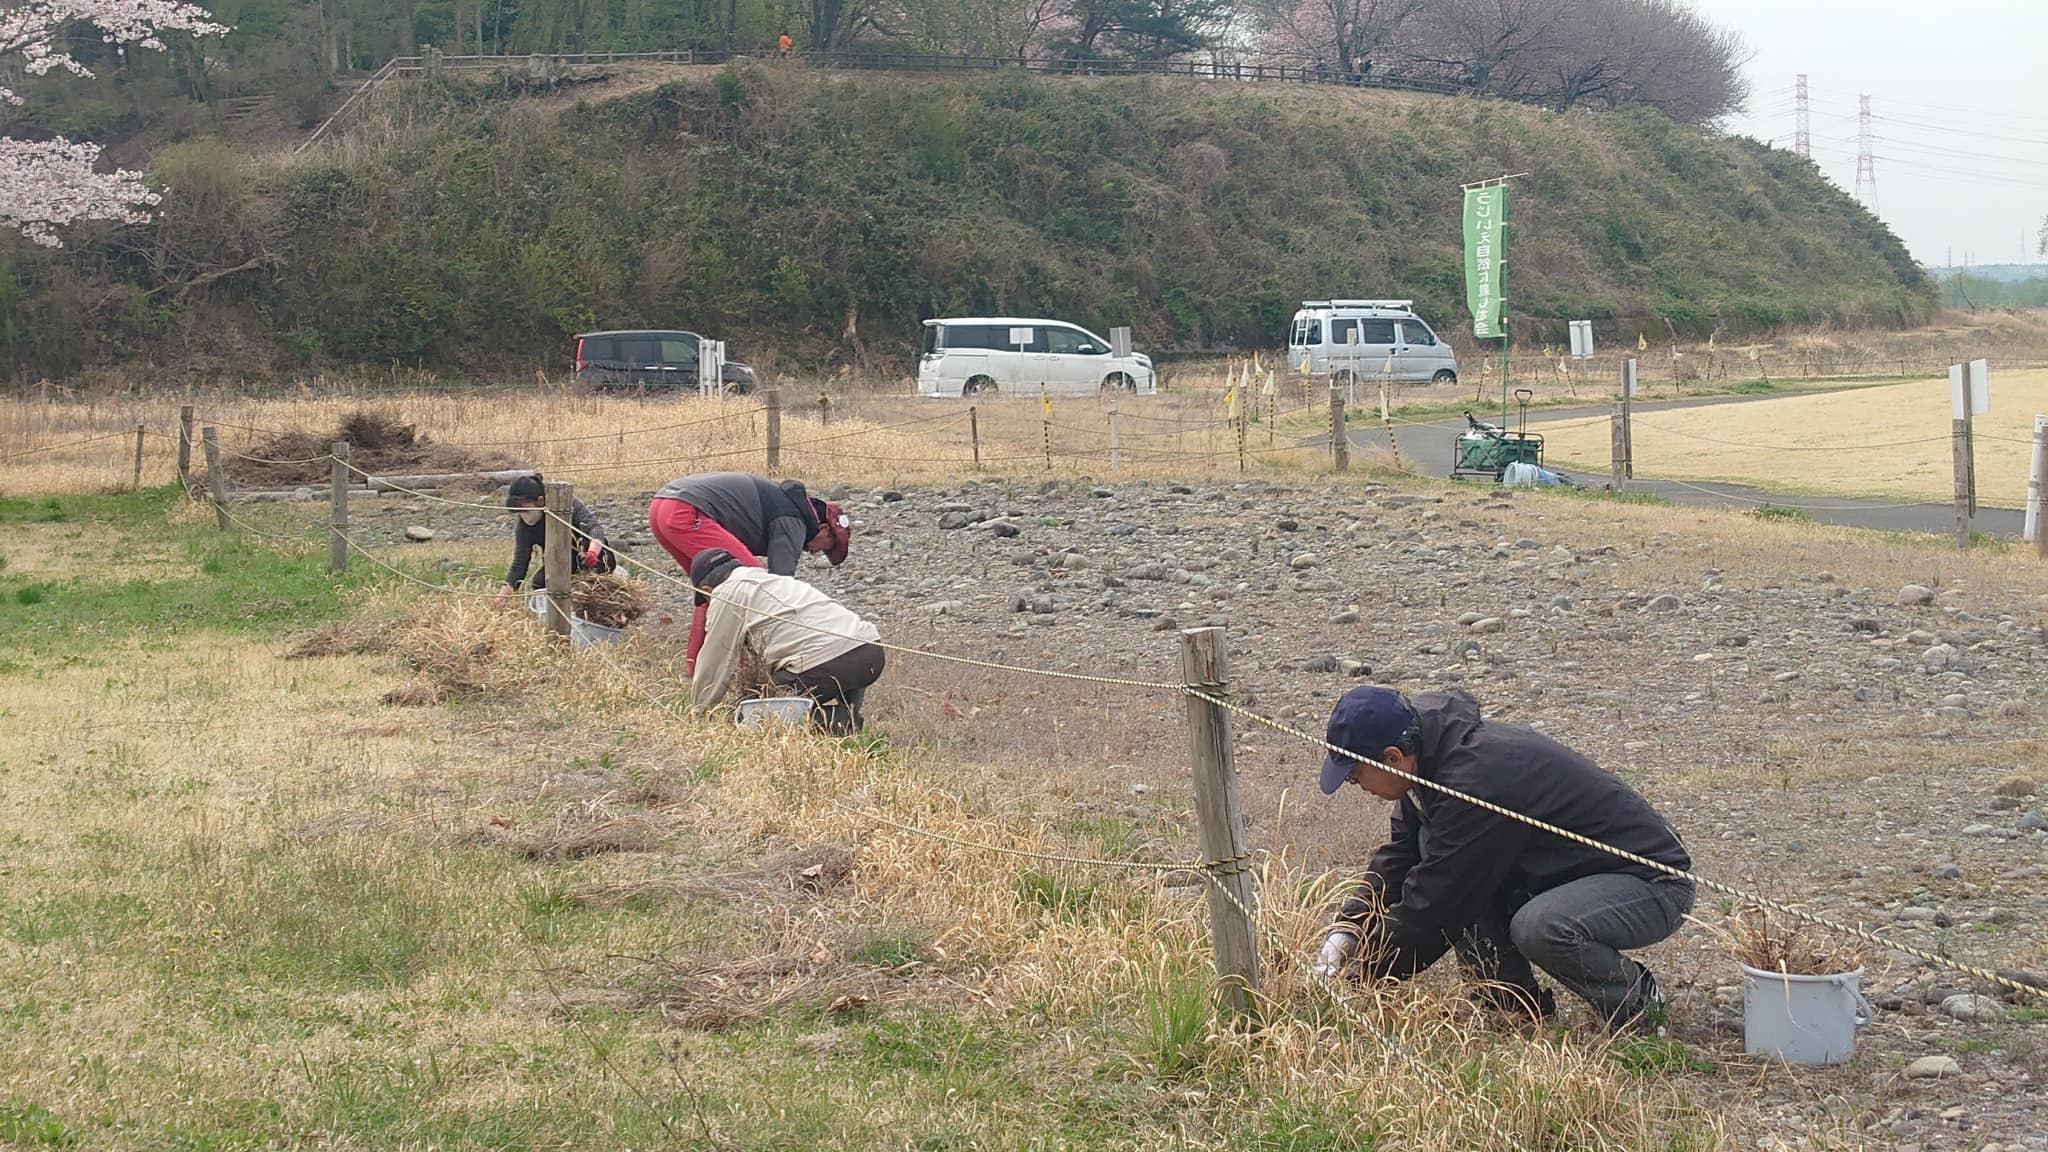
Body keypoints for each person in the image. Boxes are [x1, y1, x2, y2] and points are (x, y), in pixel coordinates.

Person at [1313, 686, 1694, 1030]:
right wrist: (1347, 930)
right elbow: (1402, 856)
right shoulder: (1428, 754)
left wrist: (1360, 979)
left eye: (1354, 775)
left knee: (1540, 926)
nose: (1356, 786)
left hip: (1651, 884)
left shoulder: (1474, 783)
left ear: (1392, 758)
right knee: (1437, 847)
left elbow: (1438, 902)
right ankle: (1513, 1009)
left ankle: (1638, 1006)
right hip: (1564, 873)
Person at [647, 472, 851, 673]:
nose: (816, 552)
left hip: (661, 506)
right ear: (824, 529)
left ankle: (694, 669)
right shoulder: (794, 521)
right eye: (827, 546)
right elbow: (779, 586)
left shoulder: (786, 505)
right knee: (754, 585)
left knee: (711, 590)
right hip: (685, 510)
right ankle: (744, 672)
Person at [688, 548, 885, 733]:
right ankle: (845, 719)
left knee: (748, 716)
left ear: (707, 590)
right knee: (778, 694)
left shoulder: (726, 592)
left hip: (829, 663)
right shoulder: (771, 580)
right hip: (871, 651)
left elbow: (715, 661)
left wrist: (699, 716)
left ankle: (839, 722)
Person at [501, 473, 613, 597]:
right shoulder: (524, 526)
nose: (523, 517)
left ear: (540, 501)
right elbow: (519, 564)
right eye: (519, 513)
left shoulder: (568, 505)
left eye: (525, 511)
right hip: (557, 564)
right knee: (539, 583)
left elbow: (595, 528)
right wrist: (501, 598)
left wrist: (592, 553)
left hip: (592, 559)